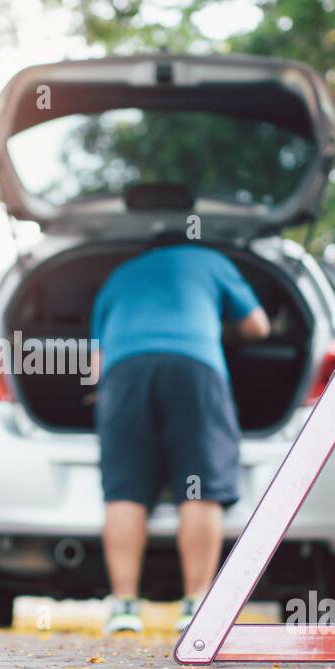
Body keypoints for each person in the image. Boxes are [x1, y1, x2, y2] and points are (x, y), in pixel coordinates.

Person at [88, 243, 270, 634]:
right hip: (194, 365)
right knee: (199, 485)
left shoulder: (119, 276)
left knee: (125, 491)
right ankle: (196, 606)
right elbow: (259, 326)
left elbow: (94, 366)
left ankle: (123, 607)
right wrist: (223, 327)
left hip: (125, 374)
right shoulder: (213, 261)